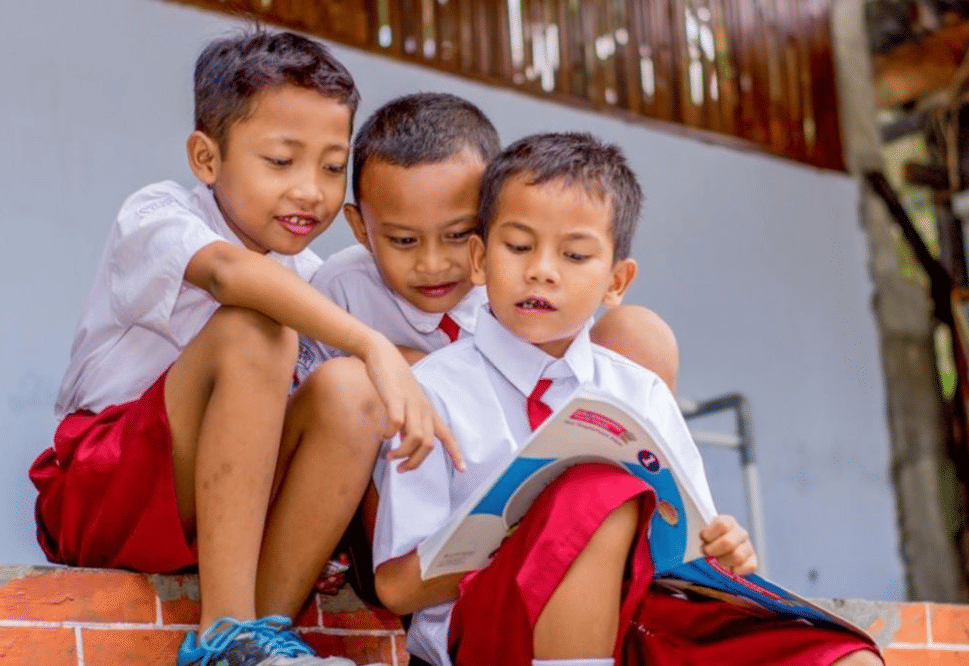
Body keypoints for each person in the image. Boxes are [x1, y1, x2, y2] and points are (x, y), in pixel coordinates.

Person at [28, 30, 461, 666]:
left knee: (351, 390)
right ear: (207, 158)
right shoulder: (161, 216)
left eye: (332, 166)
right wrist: (373, 345)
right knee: (255, 325)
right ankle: (225, 629)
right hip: (105, 486)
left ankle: (264, 632)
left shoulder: (314, 278)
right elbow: (233, 278)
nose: (311, 191)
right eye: (281, 162)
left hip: (227, 516)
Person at [370, 132, 884, 666]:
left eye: (574, 254)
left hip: (634, 618)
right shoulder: (435, 391)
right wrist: (542, 531)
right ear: (479, 260)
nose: (542, 269)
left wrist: (728, 547)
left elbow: (684, 546)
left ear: (616, 281)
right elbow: (398, 589)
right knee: (597, 491)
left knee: (843, 659)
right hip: (490, 633)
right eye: (518, 246)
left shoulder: (637, 393)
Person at [290, 92, 680, 611]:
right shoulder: (339, 290)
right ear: (362, 228)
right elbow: (312, 418)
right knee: (360, 388)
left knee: (640, 333)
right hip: (390, 525)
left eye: (459, 234)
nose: (434, 264)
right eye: (404, 240)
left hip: (520, 487)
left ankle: (634, 553)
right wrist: (393, 368)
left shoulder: (516, 284)